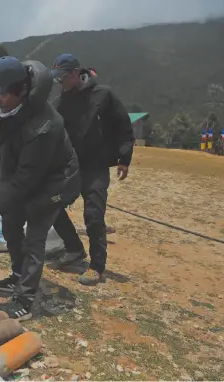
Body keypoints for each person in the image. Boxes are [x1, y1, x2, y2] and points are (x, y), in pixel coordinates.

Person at [0, 56, 81, 320]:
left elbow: (27, 179)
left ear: (22, 91)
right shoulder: (1, 102)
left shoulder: (44, 126)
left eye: (0, 95)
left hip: (52, 182)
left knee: (34, 237)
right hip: (21, 178)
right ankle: (17, 275)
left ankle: (24, 299)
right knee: (10, 226)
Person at [47, 53, 134, 286]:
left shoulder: (103, 95)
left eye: (62, 78)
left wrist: (124, 158)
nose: (59, 83)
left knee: (94, 216)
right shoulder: (60, 102)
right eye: (56, 79)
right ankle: (74, 248)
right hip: (70, 167)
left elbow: (124, 126)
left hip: (96, 166)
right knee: (51, 204)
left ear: (76, 73)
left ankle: (96, 266)